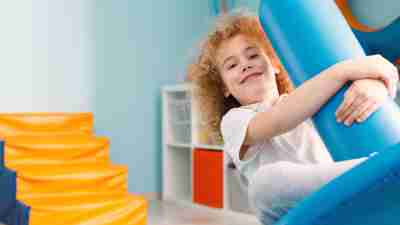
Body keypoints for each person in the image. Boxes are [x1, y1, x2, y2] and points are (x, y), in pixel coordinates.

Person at [188, 11, 399, 225]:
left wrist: (375, 85)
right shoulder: (234, 121)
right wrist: (343, 71)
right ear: (224, 87)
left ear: (275, 65)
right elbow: (278, 119)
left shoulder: (310, 98)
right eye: (232, 65)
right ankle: (383, 167)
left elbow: (380, 78)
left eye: (253, 55)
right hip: (287, 212)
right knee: (263, 183)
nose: (245, 65)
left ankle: (383, 168)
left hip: (337, 201)